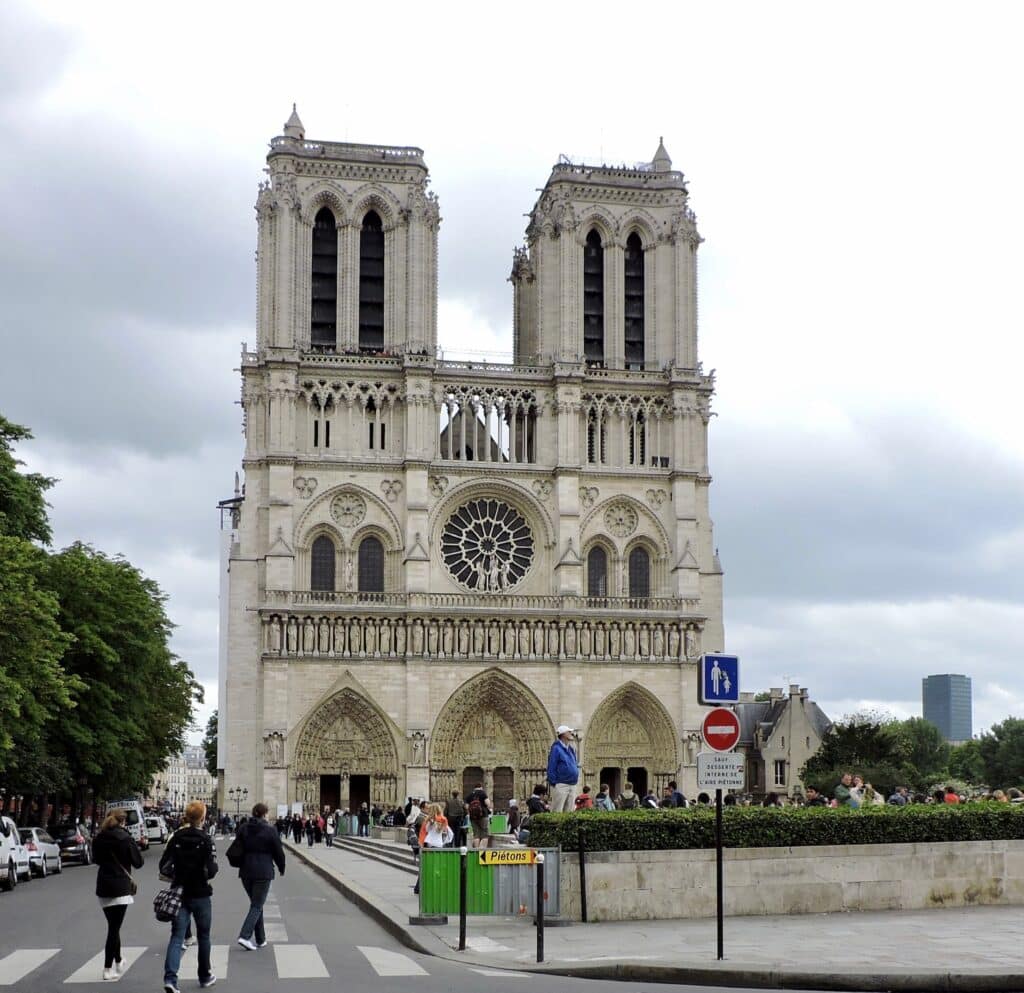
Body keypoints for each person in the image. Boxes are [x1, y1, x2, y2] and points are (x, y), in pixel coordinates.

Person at [160, 801, 219, 993]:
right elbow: (212, 870)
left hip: (180, 892)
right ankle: (204, 976)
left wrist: (177, 876)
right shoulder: (206, 839)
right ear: (202, 818)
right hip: (200, 893)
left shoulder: (175, 837)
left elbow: (163, 866)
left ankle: (170, 979)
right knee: (204, 936)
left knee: (177, 937)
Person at [92, 808, 143, 981]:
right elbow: (138, 862)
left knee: (113, 925)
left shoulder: (99, 838)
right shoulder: (125, 838)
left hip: (104, 885)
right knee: (114, 928)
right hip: (120, 886)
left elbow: (96, 860)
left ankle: (119, 960)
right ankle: (107, 968)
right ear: (123, 821)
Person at [234, 802, 286, 951]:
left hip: (246, 871)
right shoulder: (270, 830)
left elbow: (238, 847)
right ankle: (244, 936)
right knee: (257, 905)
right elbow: (278, 852)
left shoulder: (243, 828)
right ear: (264, 814)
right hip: (263, 872)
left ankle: (261, 938)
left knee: (256, 904)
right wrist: (282, 867)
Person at [413, 804, 453, 895]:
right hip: (438, 844)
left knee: (425, 866)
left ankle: (418, 887)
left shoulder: (428, 820)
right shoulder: (443, 819)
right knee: (436, 866)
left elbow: (425, 831)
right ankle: (432, 886)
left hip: (428, 843)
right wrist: (445, 841)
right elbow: (450, 833)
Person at [547, 725, 580, 813]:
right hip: (561, 784)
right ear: (563, 734)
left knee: (569, 811)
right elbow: (551, 767)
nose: (571, 733)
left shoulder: (571, 749)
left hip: (572, 784)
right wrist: (555, 783)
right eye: (569, 732)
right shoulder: (556, 749)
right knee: (557, 810)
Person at [467, 784, 491, 849]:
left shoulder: (470, 795)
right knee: (484, 833)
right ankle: (482, 850)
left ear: (474, 788)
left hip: (473, 817)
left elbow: (466, 807)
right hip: (483, 816)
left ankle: (476, 850)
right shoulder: (483, 793)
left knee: (476, 834)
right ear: (481, 787)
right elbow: (488, 803)